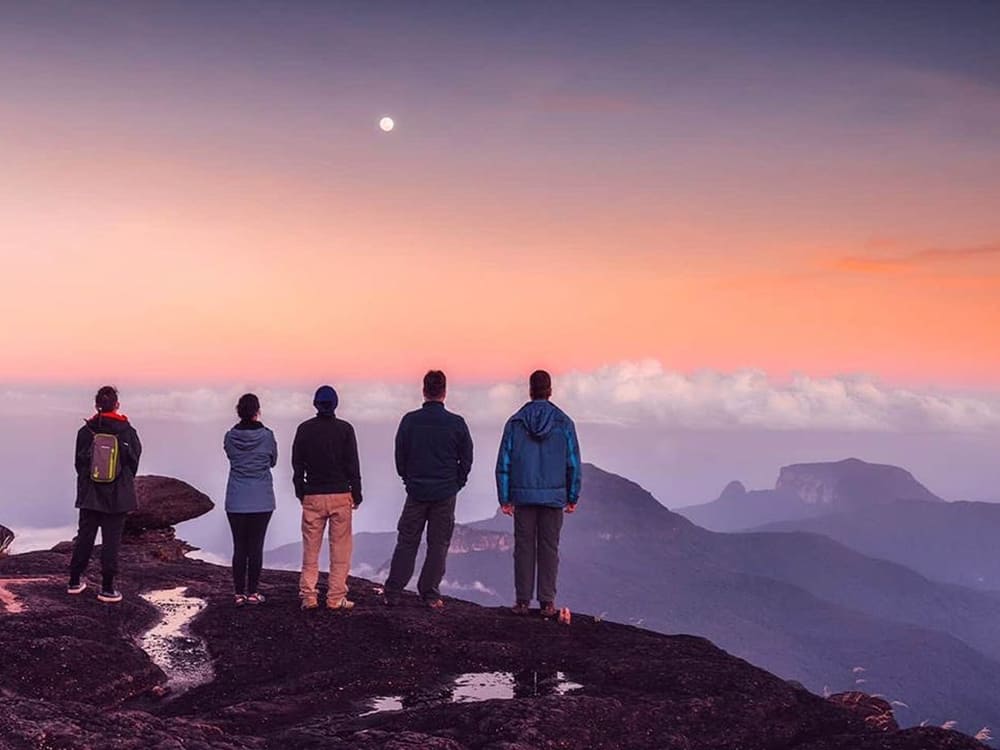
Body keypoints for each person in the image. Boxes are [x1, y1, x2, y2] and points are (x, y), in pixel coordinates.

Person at [384, 370, 474, 609]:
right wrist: (457, 483)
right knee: (438, 544)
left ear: (424, 390)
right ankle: (430, 593)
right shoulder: (456, 423)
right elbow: (467, 458)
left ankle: (393, 591)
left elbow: (400, 456)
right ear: (444, 392)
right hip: (445, 492)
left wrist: (409, 479)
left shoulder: (410, 421)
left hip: (416, 491)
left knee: (407, 541)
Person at [496, 370, 581, 617]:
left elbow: (504, 462)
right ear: (550, 390)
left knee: (523, 547)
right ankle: (547, 603)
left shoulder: (515, 422)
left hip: (523, 496)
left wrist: (505, 498)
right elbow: (573, 463)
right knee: (549, 548)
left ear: (530, 390)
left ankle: (522, 601)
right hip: (554, 498)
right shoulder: (564, 423)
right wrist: (572, 496)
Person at [68, 386, 142, 603]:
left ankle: (74, 581)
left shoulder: (85, 432)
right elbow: (133, 463)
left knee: (85, 536)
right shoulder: (128, 432)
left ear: (96, 405)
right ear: (117, 405)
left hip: (90, 494)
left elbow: (79, 463)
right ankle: (107, 588)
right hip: (118, 496)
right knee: (111, 541)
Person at [292, 385, 362, 611]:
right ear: (335, 404)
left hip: (313, 495)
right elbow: (353, 464)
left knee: (310, 549)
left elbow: (297, 465)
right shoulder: (345, 429)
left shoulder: (304, 429)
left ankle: (309, 596)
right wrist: (357, 493)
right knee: (340, 549)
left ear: (315, 404)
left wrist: (300, 491)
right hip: (340, 494)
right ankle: (335, 598)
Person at [223, 393, 277, 607]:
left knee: (239, 546)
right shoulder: (267, 436)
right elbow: (272, 461)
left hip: (236, 499)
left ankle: (238, 594)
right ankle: (253, 592)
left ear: (238, 411)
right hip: (262, 499)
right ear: (257, 411)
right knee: (256, 546)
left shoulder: (230, 437)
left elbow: (230, 456)